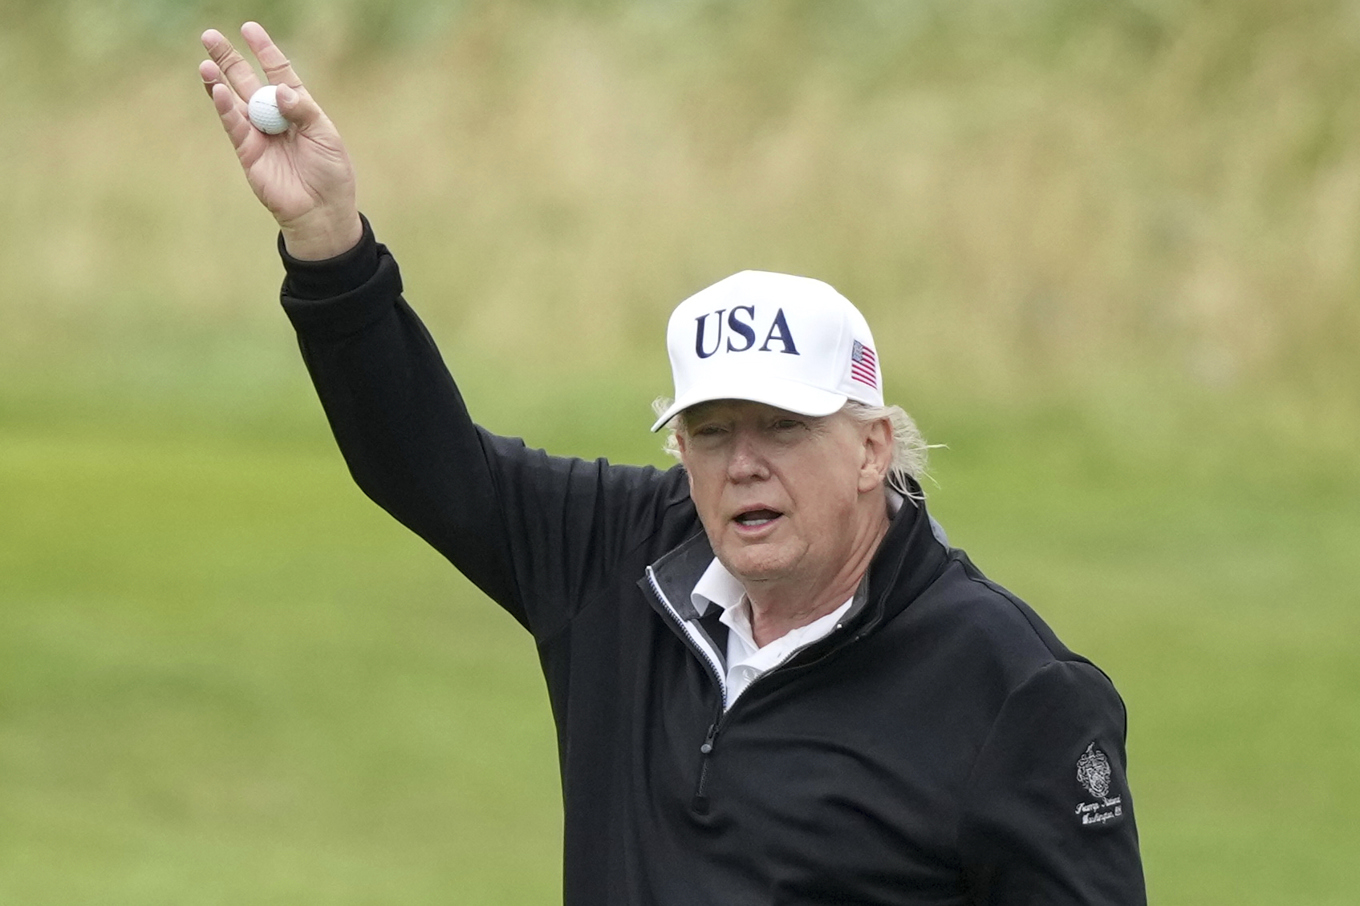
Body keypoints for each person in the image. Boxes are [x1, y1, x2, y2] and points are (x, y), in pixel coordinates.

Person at [200, 22, 1146, 904]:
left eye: (782, 429)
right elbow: (421, 464)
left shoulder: (1013, 691)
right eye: (711, 432)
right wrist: (328, 243)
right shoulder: (621, 559)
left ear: (872, 449)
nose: (743, 465)